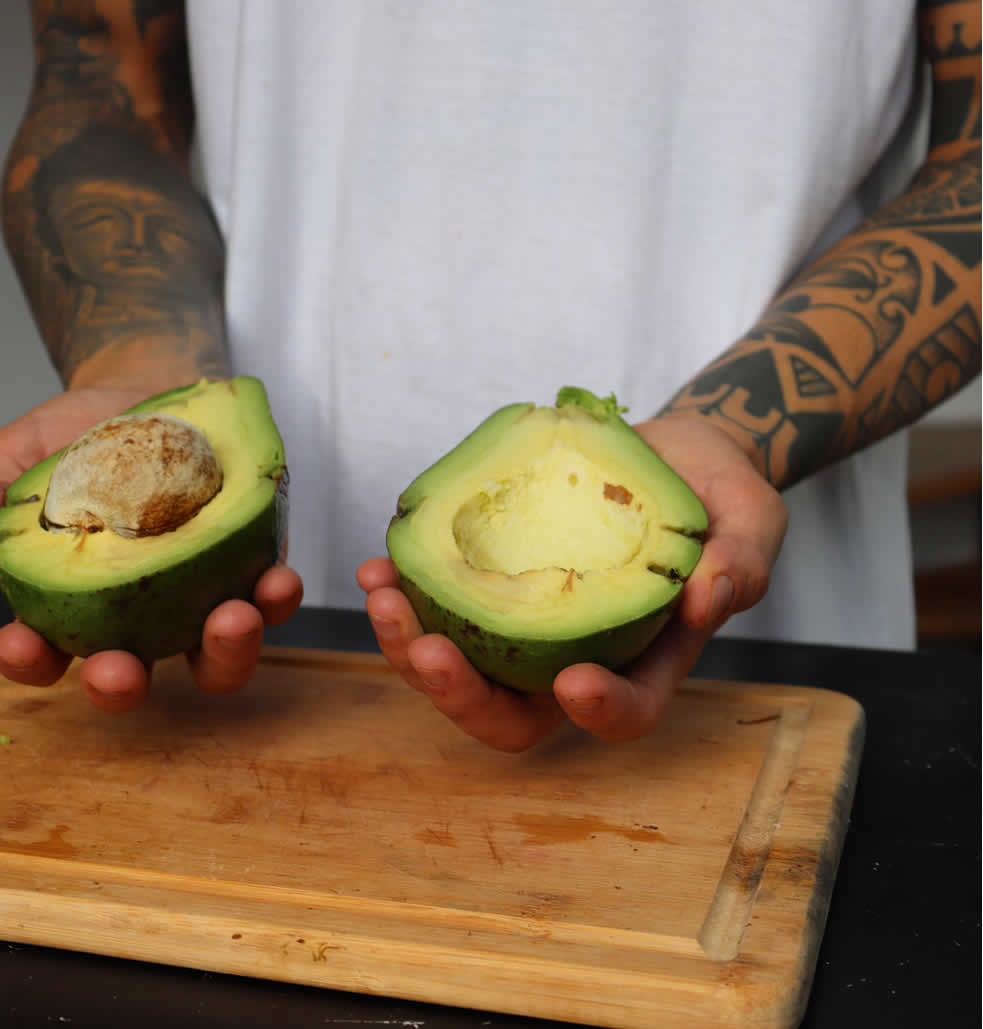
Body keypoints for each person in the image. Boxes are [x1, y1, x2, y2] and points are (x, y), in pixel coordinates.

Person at [0, 1, 979, 751]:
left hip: (761, 669)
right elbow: (99, 87)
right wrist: (143, 365)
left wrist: (730, 432)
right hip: (248, 658)